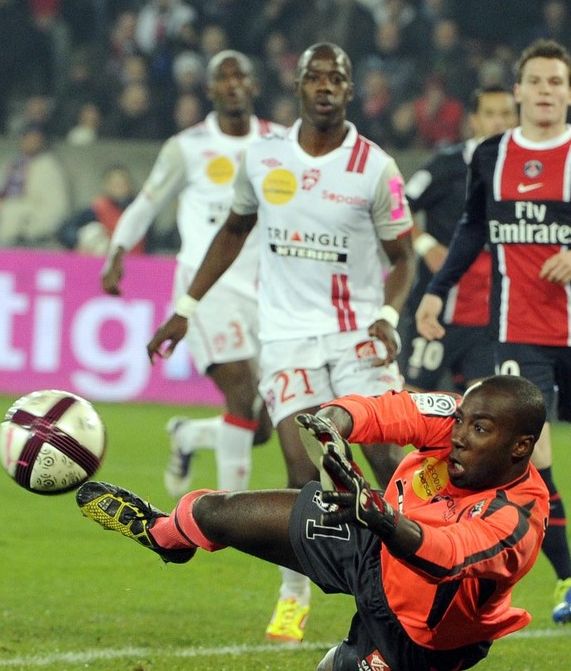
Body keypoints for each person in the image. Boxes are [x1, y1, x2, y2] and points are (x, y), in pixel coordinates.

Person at [146, 42, 416, 643]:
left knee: (385, 465)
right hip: (288, 340)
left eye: (336, 78)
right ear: (298, 87)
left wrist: (390, 317)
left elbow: (403, 258)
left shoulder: (375, 167)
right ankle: (294, 596)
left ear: (350, 91)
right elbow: (234, 230)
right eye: (314, 77)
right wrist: (185, 308)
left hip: (356, 337)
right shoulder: (265, 158)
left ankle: (417, 581)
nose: (325, 87)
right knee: (301, 471)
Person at [77, 374, 550, 670]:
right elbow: (385, 410)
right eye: (461, 421)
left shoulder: (519, 516)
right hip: (371, 545)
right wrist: (332, 426)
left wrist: (381, 516)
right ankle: (166, 538)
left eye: (479, 430)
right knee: (216, 512)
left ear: (520, 447)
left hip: (420, 640)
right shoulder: (455, 422)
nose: (459, 437)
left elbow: (447, 556)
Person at [416, 39, 571, 627]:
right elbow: (470, 229)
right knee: (531, 457)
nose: (544, 91)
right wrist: (438, 288)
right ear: (518, 91)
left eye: (555, 82)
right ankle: (565, 581)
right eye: (534, 81)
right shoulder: (490, 155)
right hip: (514, 332)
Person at [101, 51, 279, 504]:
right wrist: (118, 249)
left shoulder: (280, 143)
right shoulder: (188, 146)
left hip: (267, 290)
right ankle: (230, 512)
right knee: (240, 392)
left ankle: (188, 435)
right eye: (224, 78)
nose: (234, 85)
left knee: (262, 426)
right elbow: (145, 203)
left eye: (242, 76)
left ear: (254, 87)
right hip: (205, 290)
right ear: (211, 90)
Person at [398, 86, 516, 394]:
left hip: (488, 316)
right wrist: (425, 246)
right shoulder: (447, 165)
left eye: (506, 115)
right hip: (438, 306)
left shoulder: (525, 173)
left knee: (487, 408)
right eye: (490, 114)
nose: (498, 123)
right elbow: (398, 206)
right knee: (413, 403)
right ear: (474, 120)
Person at [0, 126, 70, 246]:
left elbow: (55, 205)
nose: (30, 143)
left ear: (42, 143)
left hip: (30, 209)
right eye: (27, 139)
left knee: (10, 213)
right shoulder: (14, 163)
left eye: (35, 140)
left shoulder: (49, 166)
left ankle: (1, 257)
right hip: (5, 206)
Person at [60, 164, 137, 254]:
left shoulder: (139, 211)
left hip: (134, 260)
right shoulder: (95, 210)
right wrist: (78, 241)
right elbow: (66, 230)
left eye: (122, 183)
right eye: (115, 184)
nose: (119, 187)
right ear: (106, 185)